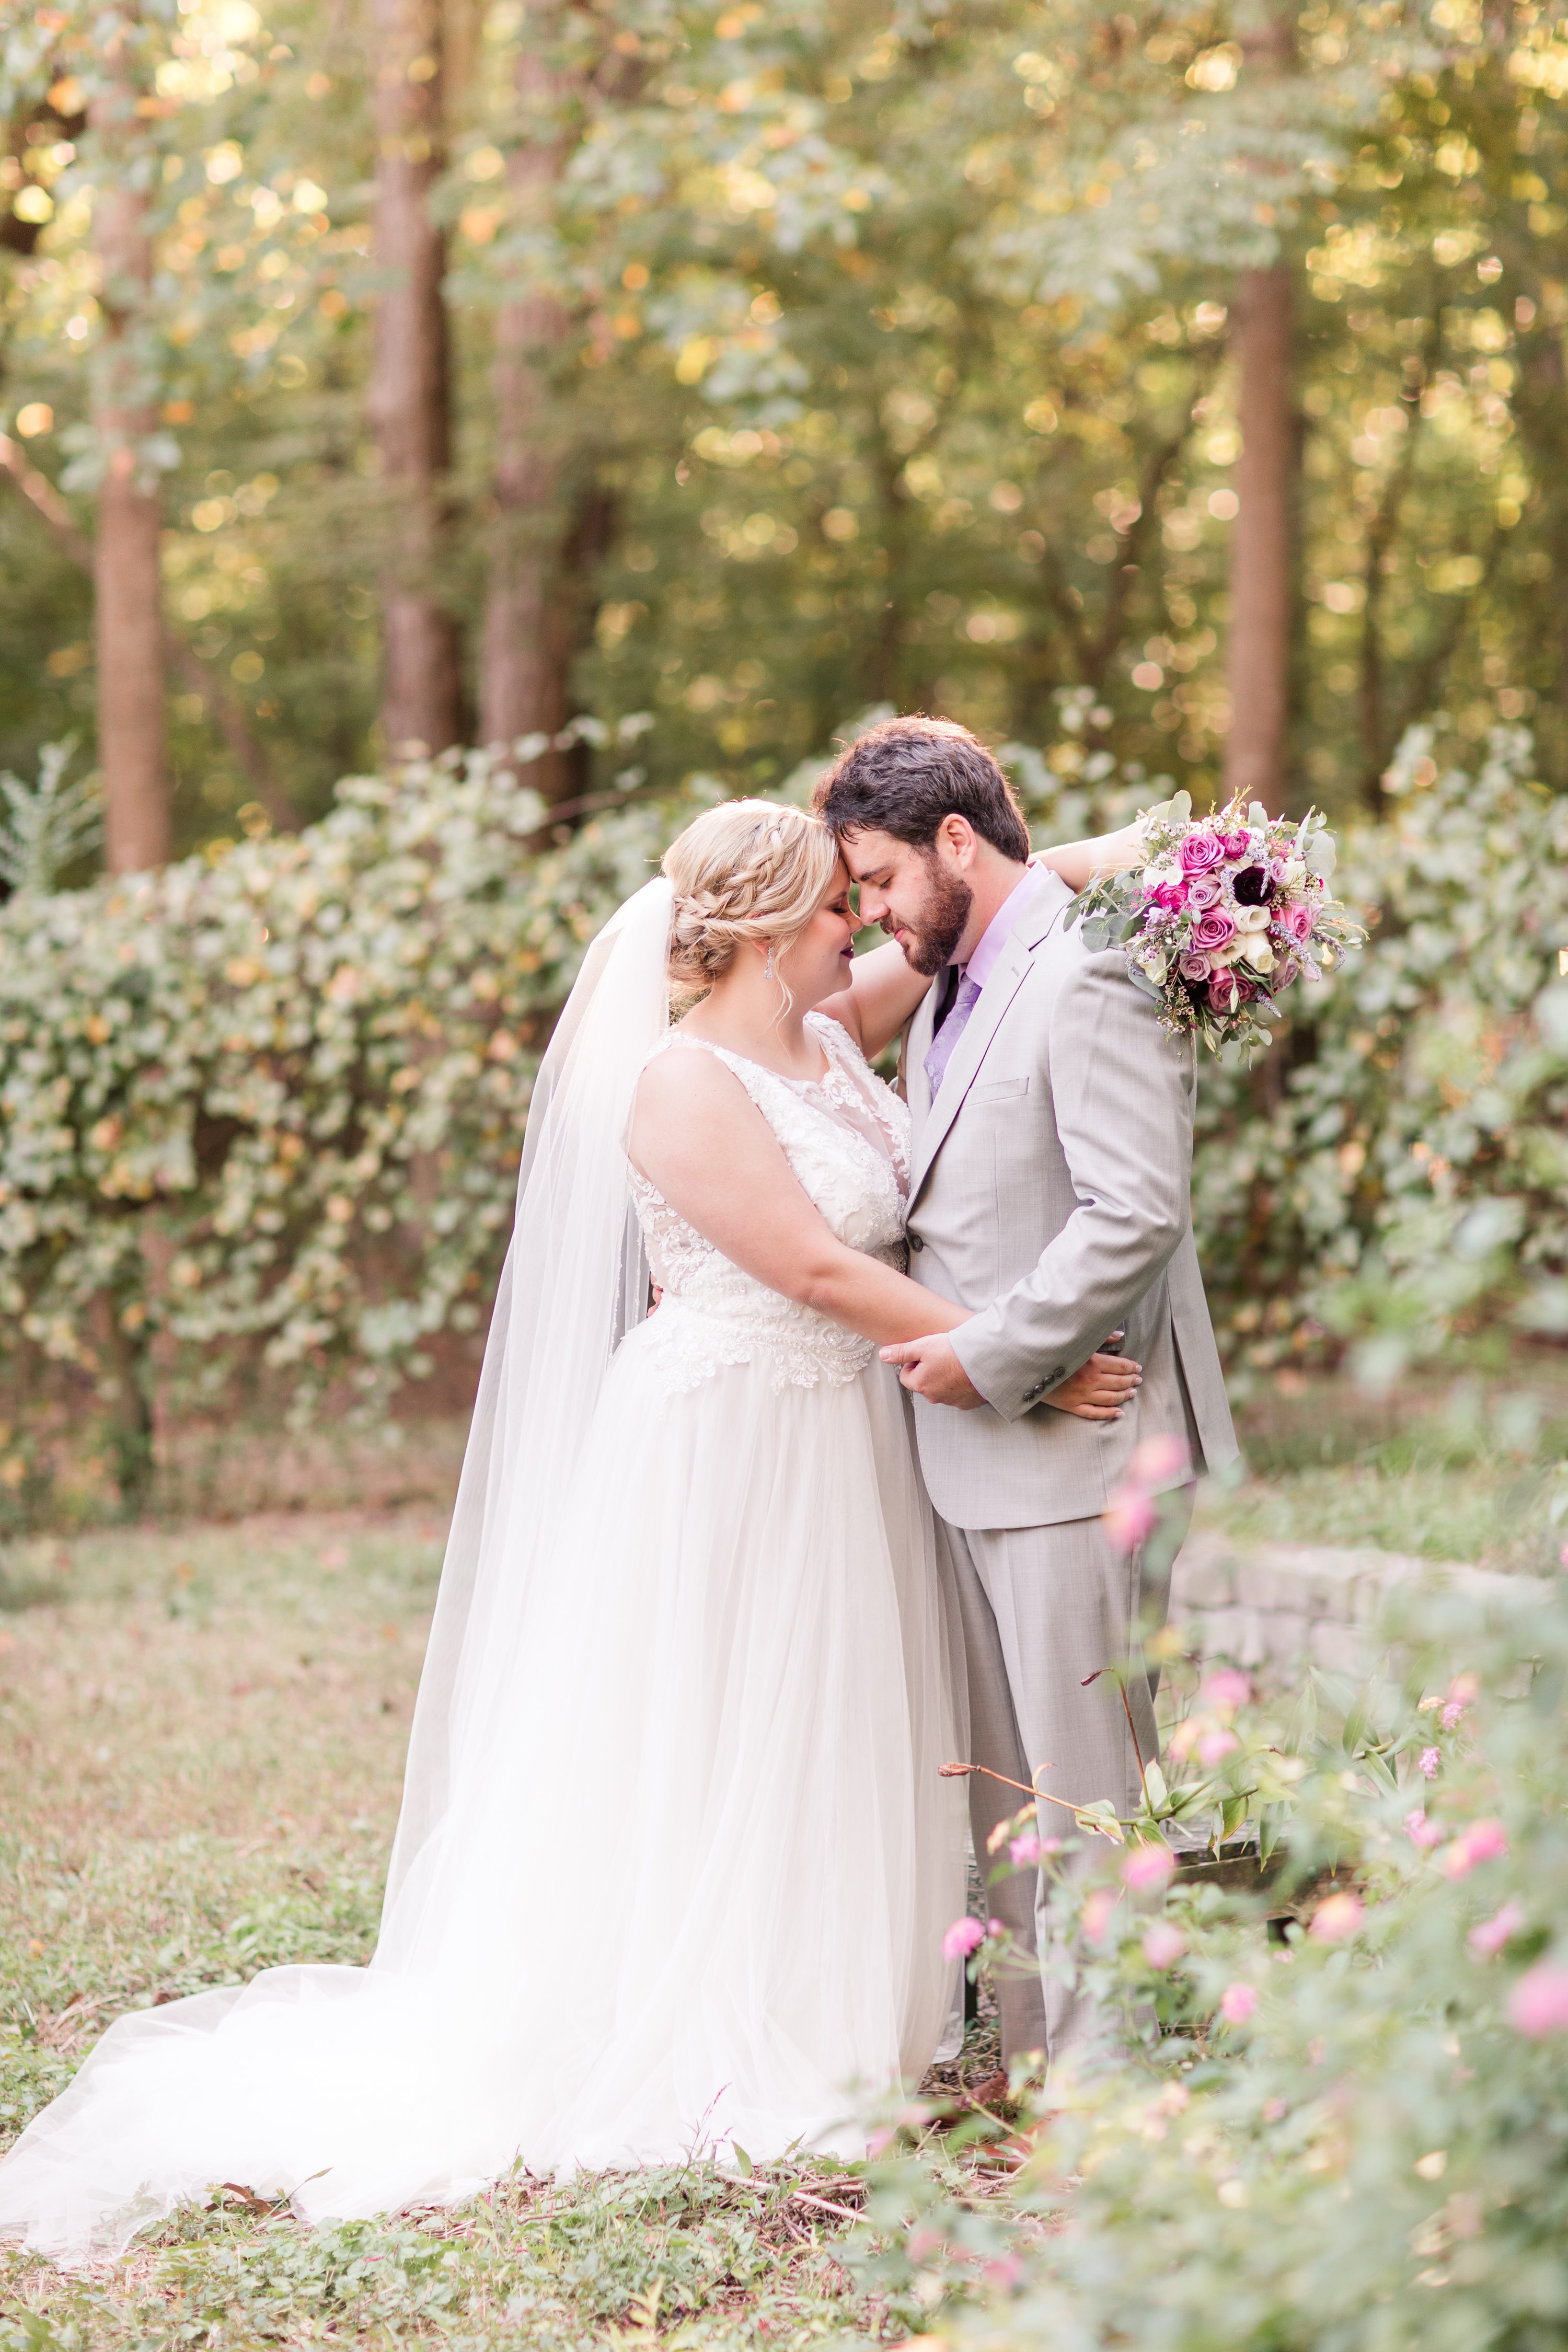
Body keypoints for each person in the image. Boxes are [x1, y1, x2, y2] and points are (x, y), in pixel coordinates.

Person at [0, 795, 1133, 2265]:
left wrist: (1133, 859)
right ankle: (711, 2023)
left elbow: (977, 906)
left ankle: (833, 1998)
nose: (862, 921)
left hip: (844, 1436)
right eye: (837, 903)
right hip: (733, 1437)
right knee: (715, 1725)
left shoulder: (827, 1022)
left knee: (825, 1719)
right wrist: (1015, 1352)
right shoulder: (680, 1084)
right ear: (773, 928)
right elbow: (811, 1266)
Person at [816, 716, 1239, 2074]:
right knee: (1011, 1800)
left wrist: (995, 1357)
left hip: (1079, 1454)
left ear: (956, 840)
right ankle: (1037, 2059)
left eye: (882, 880)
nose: (875, 916)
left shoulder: (1087, 970)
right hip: (976, 1461)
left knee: (1089, 1796)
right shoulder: (950, 986)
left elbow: (1135, 1213)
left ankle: (1110, 2087)